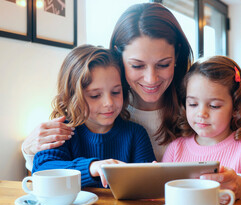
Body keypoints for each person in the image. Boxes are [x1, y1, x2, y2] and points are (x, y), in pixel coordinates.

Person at [22, 3, 241, 199]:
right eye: (137, 65)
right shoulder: (94, 106)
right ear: (118, 57)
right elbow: (45, 171)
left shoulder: (196, 106)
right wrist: (29, 150)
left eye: (163, 64)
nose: (151, 78)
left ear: (177, 56)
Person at [162, 56, 241, 202]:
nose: (201, 114)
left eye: (214, 106)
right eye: (193, 104)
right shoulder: (175, 149)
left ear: (236, 107)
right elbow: (162, 199)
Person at [32, 45, 155, 188]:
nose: (109, 103)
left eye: (116, 92)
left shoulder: (135, 134)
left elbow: (146, 188)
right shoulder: (62, 131)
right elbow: (42, 170)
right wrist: (92, 167)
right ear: (73, 97)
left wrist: (152, 177)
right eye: (95, 96)